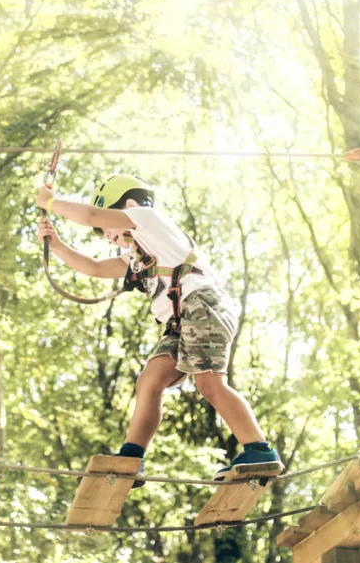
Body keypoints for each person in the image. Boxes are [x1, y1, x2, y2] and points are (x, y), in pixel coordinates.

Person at [35, 174, 280, 483]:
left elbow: (90, 215)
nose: (106, 235)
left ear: (130, 205)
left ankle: (259, 449)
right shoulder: (140, 258)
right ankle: (132, 456)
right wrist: (56, 246)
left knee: (209, 383)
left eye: (108, 228)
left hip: (202, 305)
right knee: (149, 381)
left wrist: (51, 203)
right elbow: (96, 268)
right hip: (180, 323)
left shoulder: (147, 220)